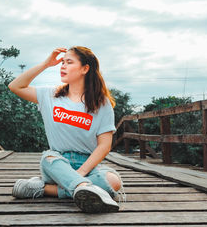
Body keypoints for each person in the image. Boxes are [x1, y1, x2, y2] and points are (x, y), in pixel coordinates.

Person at [8, 46, 124, 213]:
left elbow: (104, 145)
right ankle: (84, 188)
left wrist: (81, 172)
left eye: (69, 62)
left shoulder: (102, 103)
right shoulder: (51, 95)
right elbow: (15, 86)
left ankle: (44, 189)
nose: (62, 66)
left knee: (114, 181)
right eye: (62, 62)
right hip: (57, 163)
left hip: (87, 164)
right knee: (48, 158)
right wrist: (46, 64)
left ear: (85, 69)